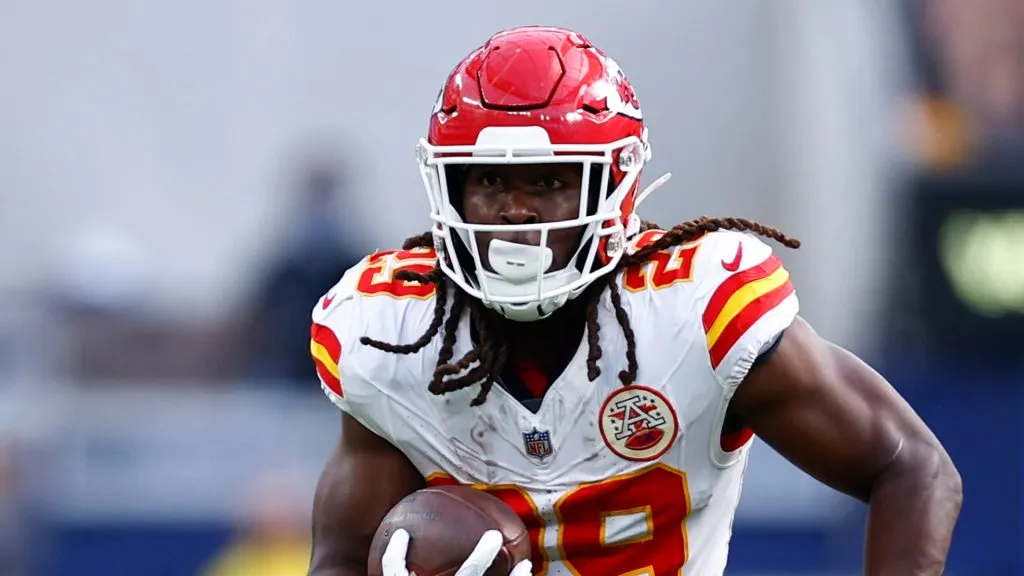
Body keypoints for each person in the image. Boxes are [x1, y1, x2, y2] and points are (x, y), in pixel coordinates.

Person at [306, 25, 962, 576]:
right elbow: (338, 558)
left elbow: (912, 467)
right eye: (489, 180)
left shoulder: (693, 310)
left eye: (550, 182)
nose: (514, 210)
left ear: (614, 186)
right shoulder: (390, 333)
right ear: (449, 190)